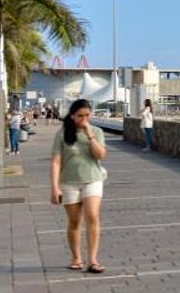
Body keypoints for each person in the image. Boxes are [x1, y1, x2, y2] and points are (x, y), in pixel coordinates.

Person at [50, 99, 108, 274]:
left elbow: (100, 155)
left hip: (93, 179)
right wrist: (54, 188)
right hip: (68, 182)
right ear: (73, 115)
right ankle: (76, 258)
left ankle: (93, 260)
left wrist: (89, 134)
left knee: (92, 216)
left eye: (87, 115)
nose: (84, 118)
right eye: (80, 116)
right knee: (74, 221)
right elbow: (56, 162)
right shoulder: (62, 134)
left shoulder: (96, 131)